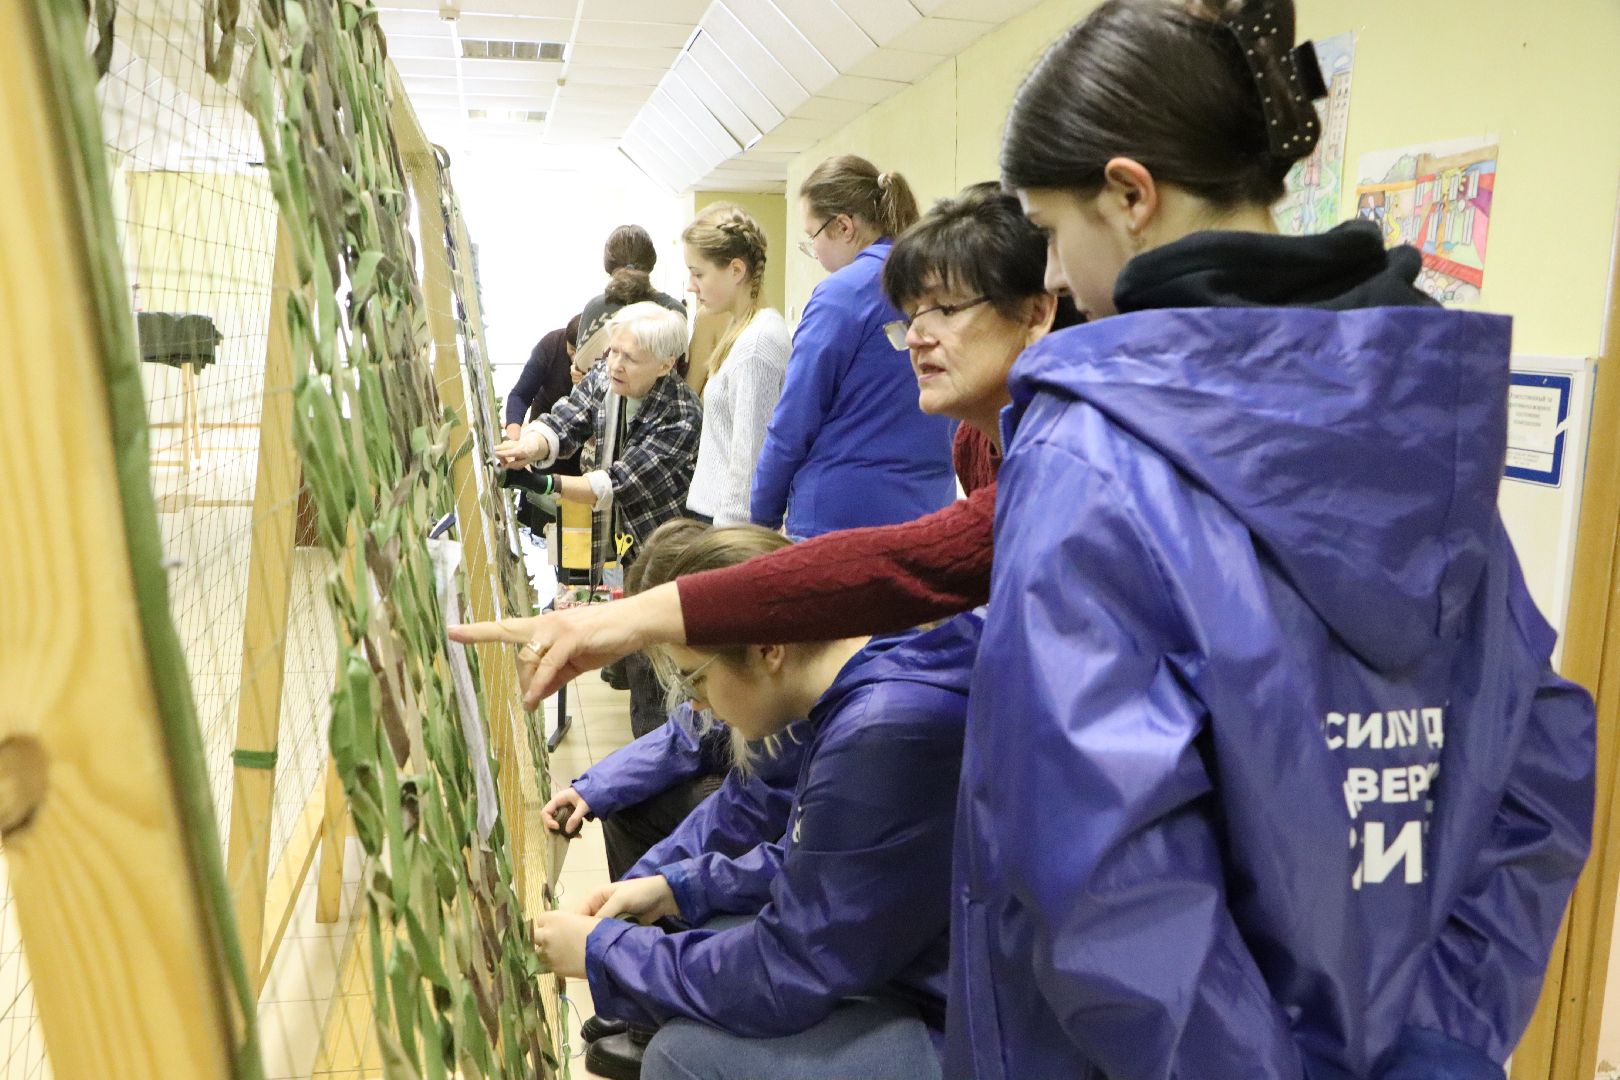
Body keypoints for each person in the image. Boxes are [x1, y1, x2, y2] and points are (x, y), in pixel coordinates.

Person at [946, 1, 1592, 1077]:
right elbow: (1541, 757)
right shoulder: (1426, 415)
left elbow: (1104, 874)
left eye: (1052, 234)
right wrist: (1447, 1038)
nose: (1053, 278)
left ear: (1130, 195)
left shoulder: (1091, 449)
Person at [449, 184, 1073, 702]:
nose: (915, 337)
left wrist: (637, 614)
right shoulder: (974, 442)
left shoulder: (1066, 462)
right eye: (913, 315)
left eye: (947, 309)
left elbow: (904, 559)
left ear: (1037, 311)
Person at [528, 522, 978, 1080]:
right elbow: (818, 864)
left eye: (697, 682)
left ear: (769, 650)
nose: (703, 707)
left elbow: (786, 968)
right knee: (711, 938)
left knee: (680, 1057)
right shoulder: (865, 674)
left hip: (968, 1024)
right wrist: (673, 888)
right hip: (938, 965)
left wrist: (605, 954)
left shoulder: (875, 735)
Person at [495, 301, 701, 737]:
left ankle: (669, 757)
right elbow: (565, 419)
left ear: (666, 364)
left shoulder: (681, 416)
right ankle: (647, 752)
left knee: (661, 665)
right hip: (622, 544)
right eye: (613, 351)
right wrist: (527, 446)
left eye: (630, 357)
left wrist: (544, 486)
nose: (615, 364)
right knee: (637, 657)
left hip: (665, 549)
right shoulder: (607, 376)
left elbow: (614, 484)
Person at [750, 155, 955, 538]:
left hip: (838, 518)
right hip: (930, 511)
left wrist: (760, 519)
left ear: (843, 226)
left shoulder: (841, 295)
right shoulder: (939, 279)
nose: (815, 254)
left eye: (812, 237)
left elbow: (793, 423)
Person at [681, 203, 790, 526]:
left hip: (727, 525)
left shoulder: (758, 343)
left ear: (736, 271)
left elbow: (749, 461)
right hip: (712, 514)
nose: (690, 285)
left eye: (698, 273)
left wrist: (729, 545)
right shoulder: (741, 329)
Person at [577, 225, 687, 375]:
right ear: (651, 262)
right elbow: (679, 374)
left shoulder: (595, 309)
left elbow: (579, 373)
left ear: (608, 265)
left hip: (596, 397)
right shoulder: (673, 311)